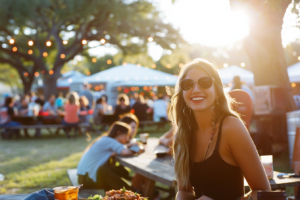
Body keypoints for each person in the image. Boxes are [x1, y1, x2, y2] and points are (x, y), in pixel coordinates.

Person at [168, 59, 270, 200]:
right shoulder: (182, 134)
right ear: (182, 93)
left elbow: (263, 192)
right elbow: (184, 191)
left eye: (205, 83)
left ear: (217, 91)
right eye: (188, 84)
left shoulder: (231, 127)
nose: (196, 89)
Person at [77, 122, 137, 191]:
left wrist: (127, 146)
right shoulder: (110, 141)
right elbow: (126, 152)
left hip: (84, 177)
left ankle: (131, 189)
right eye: (126, 135)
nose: (127, 139)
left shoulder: (105, 139)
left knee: (120, 170)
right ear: (119, 132)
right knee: (103, 170)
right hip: (86, 179)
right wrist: (139, 148)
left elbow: (120, 149)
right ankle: (131, 191)